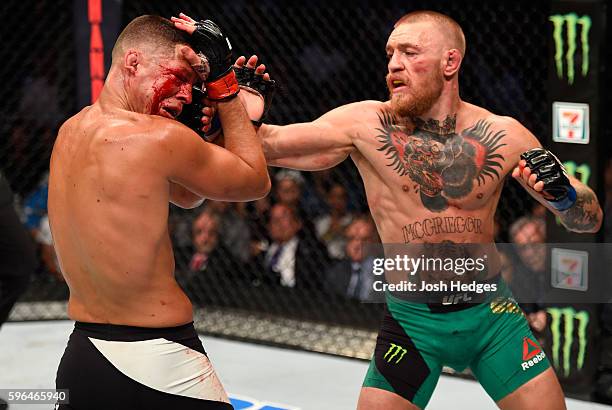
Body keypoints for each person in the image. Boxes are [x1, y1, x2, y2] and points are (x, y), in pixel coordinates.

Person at [188, 9, 603, 410]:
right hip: (412, 324)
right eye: (390, 54)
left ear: (450, 62)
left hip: (492, 317)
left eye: (409, 52)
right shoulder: (364, 125)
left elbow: (588, 219)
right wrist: (236, 112)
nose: (394, 65)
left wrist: (563, 194)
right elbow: (266, 146)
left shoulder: (502, 133)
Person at [49, 15, 270, 409]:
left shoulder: (69, 132)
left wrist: (217, 129)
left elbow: (187, 195)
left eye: (196, 84)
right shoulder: (158, 138)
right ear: (133, 63)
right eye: (180, 77)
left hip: (82, 357)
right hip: (160, 364)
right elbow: (254, 181)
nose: (187, 95)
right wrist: (227, 89)